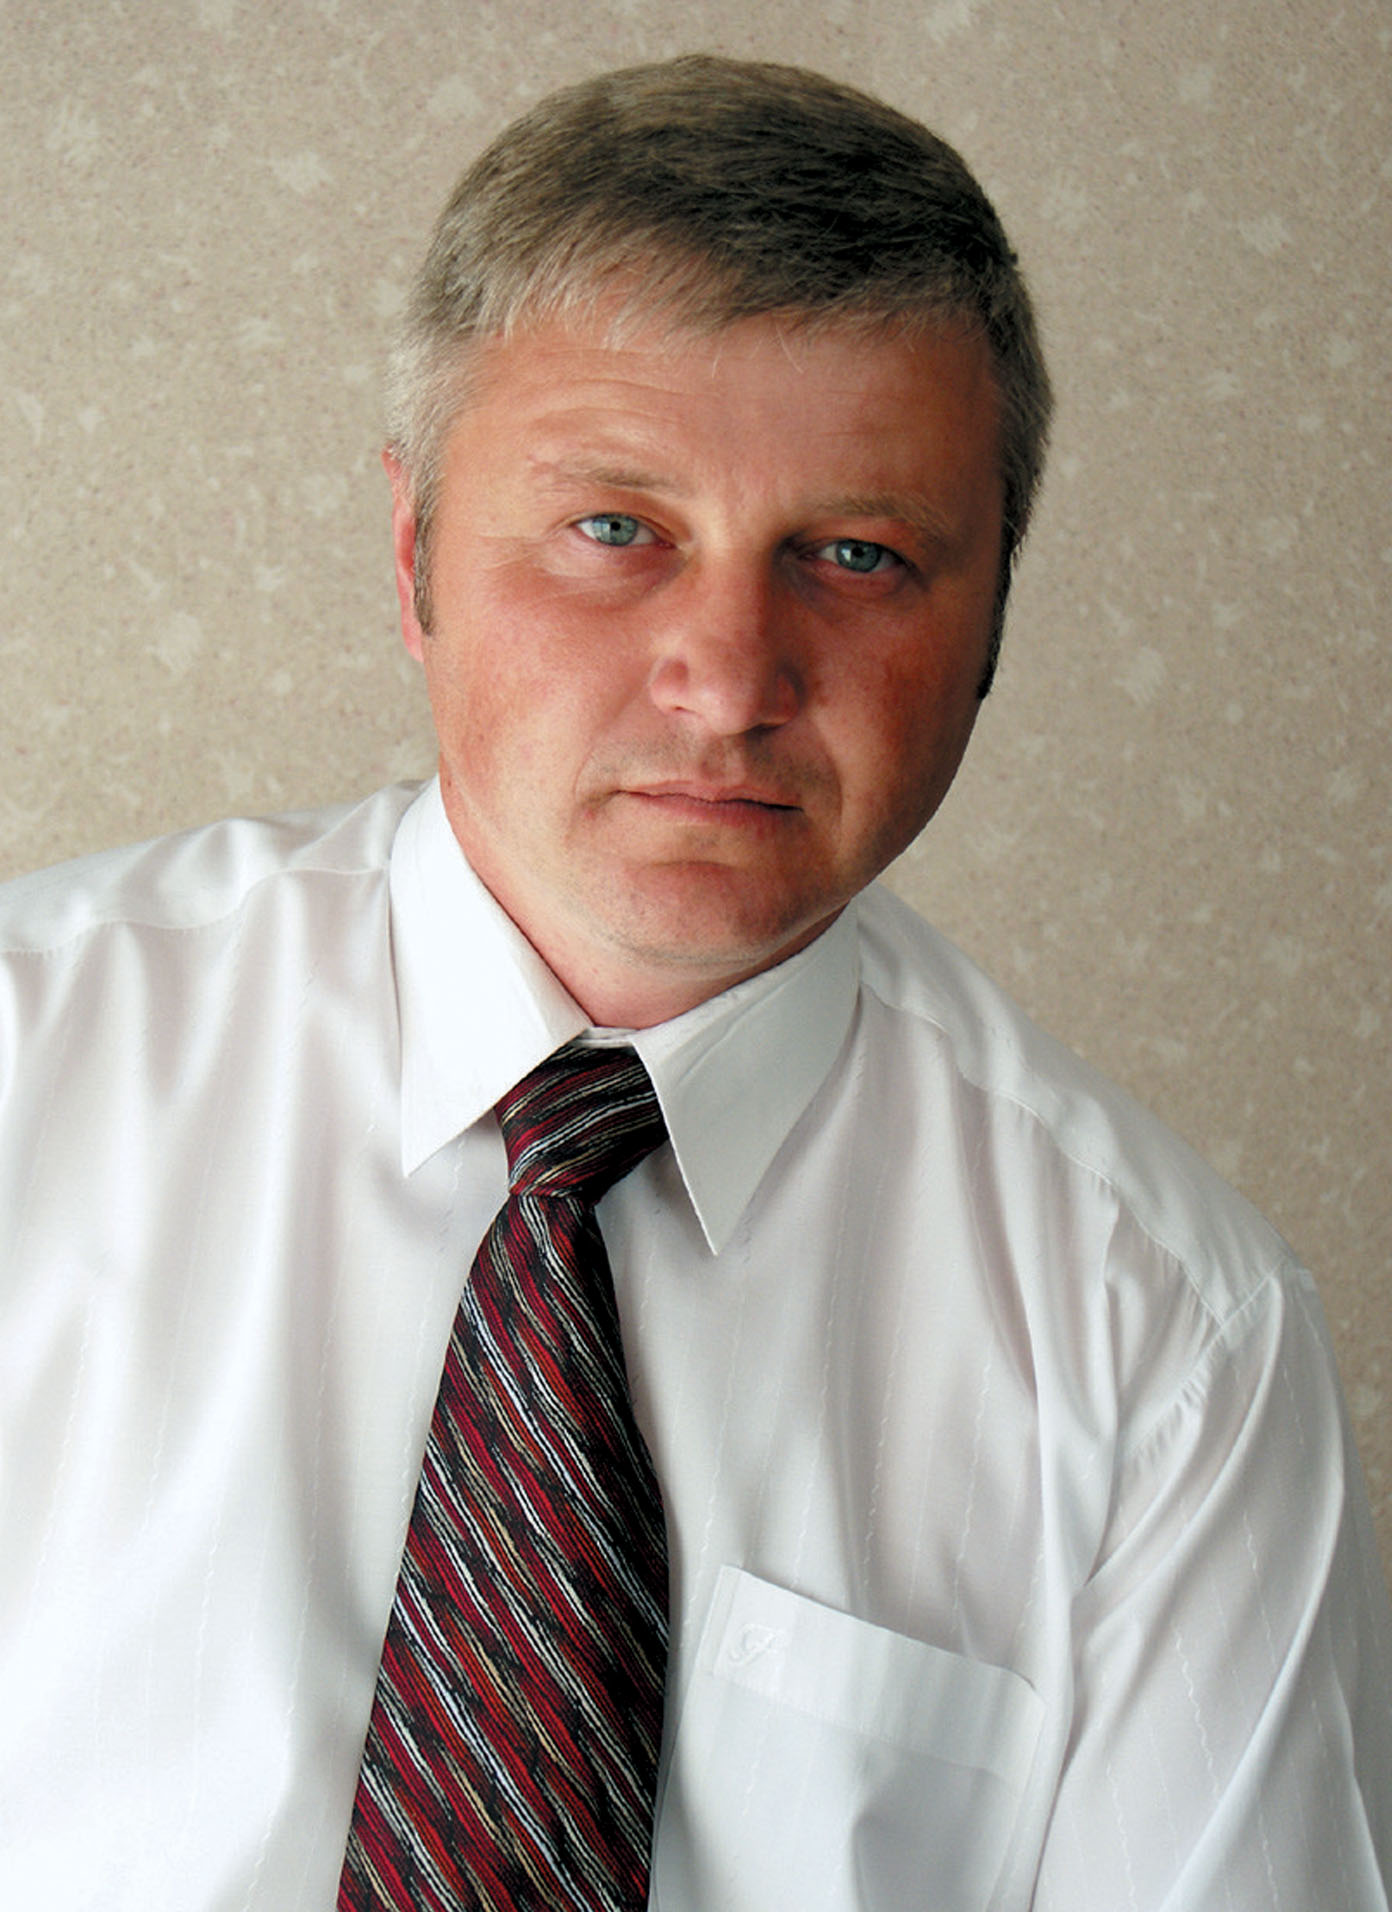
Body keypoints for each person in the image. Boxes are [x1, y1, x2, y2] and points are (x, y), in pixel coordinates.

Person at [0, 52, 1388, 1912]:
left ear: (992, 622)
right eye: (616, 530)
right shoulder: (23, 1065)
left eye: (858, 555)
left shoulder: (1169, 1347)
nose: (729, 678)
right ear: (413, 555)